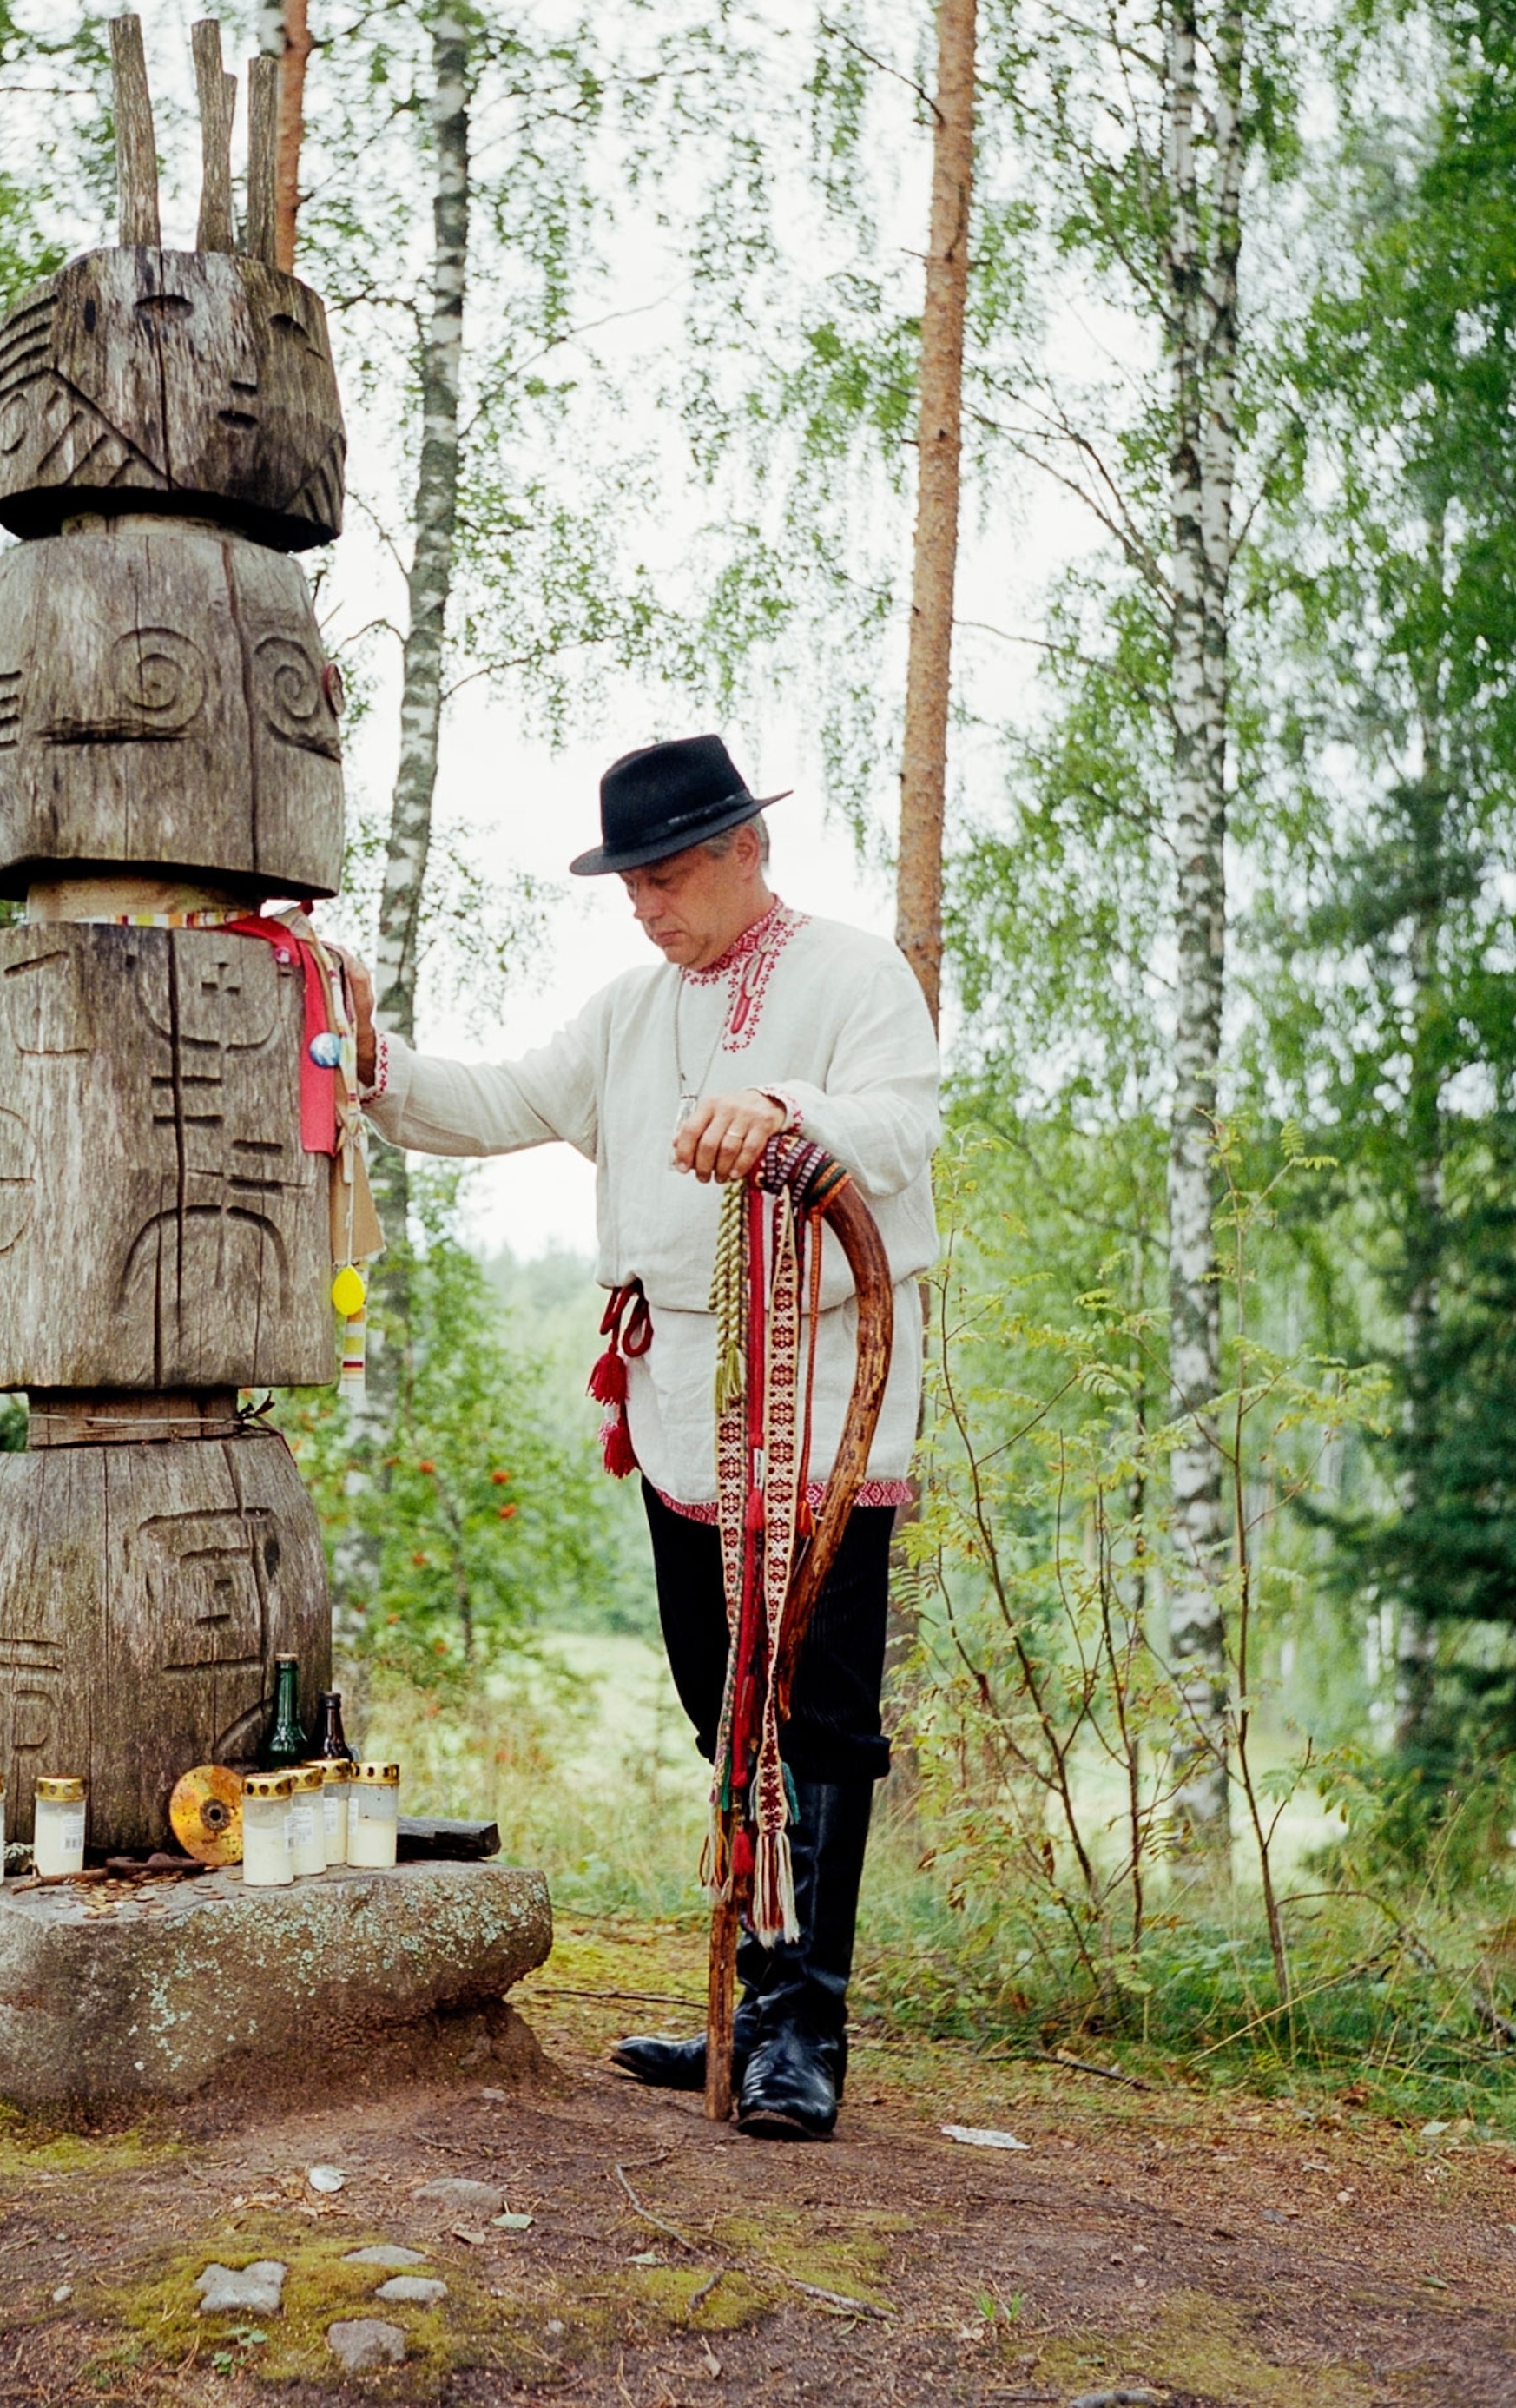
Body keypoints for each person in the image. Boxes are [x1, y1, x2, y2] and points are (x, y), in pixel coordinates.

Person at [337, 733, 939, 2141]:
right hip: (684, 1407)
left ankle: (804, 2031)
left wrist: (786, 1113)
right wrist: (372, 1063)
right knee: (716, 1702)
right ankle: (741, 1999)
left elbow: (903, 1129)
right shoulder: (627, 1011)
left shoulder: (858, 979)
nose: (649, 907)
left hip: (825, 1393)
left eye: (667, 876)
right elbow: (492, 1104)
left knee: (819, 1721)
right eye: (630, 887)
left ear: (747, 850)